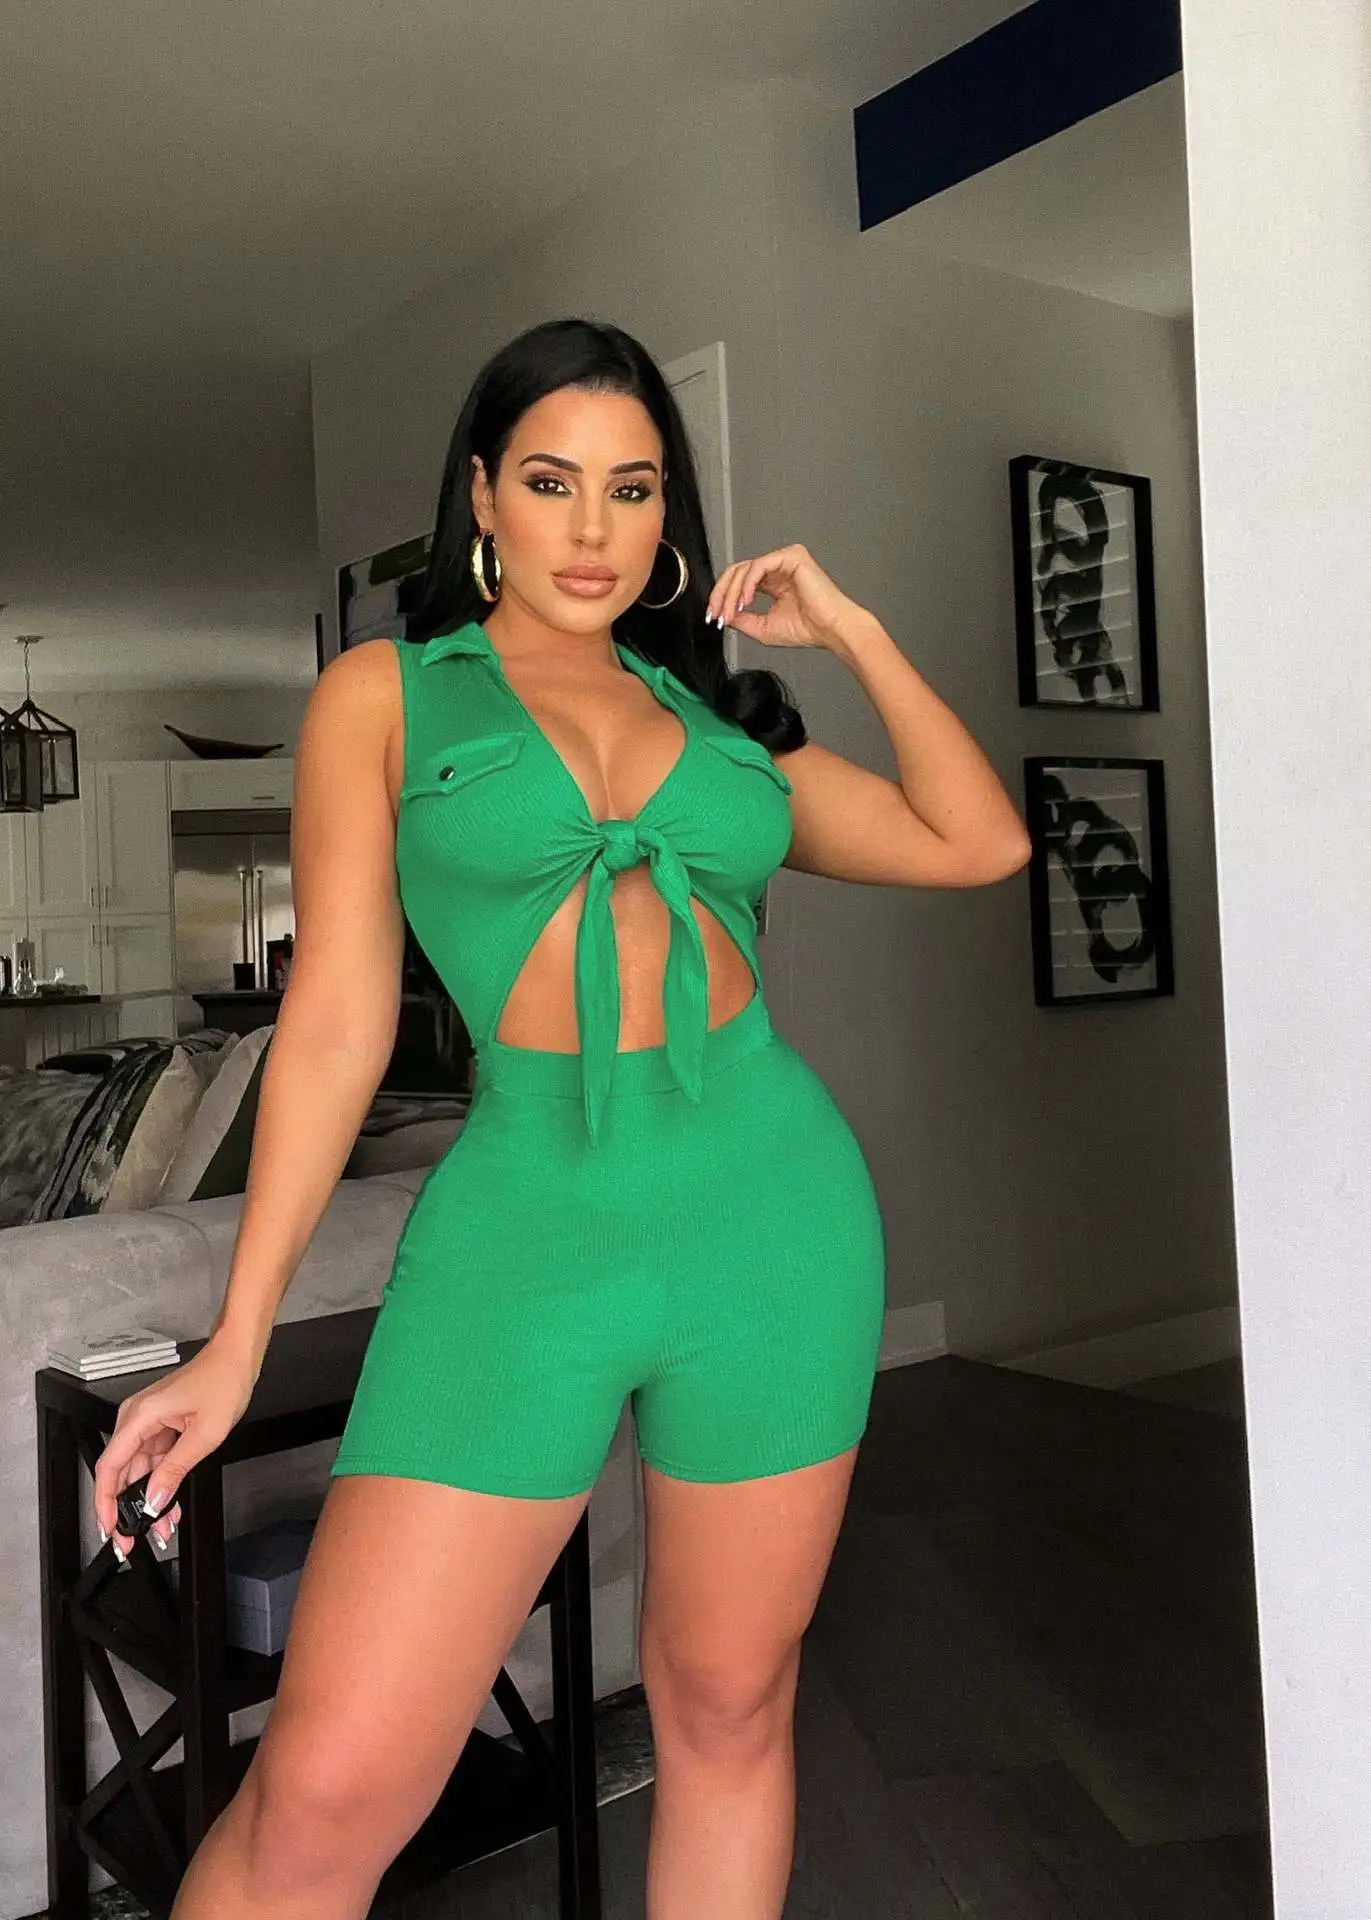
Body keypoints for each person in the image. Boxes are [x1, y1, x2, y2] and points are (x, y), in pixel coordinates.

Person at [91, 316, 1031, 1918]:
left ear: (668, 516)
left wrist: (854, 632)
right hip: (526, 1233)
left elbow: (977, 841)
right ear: (482, 496)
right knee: (324, 1788)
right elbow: (335, 1027)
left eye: (632, 488)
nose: (592, 528)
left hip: (772, 1222)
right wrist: (236, 1342)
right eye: (550, 481)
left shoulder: (723, 727)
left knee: (729, 1705)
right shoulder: (385, 697)